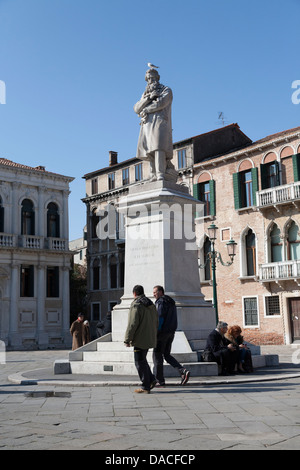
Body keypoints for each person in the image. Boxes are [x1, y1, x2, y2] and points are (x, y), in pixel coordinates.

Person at [134, 66, 176, 182]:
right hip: (147, 124)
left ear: (158, 78)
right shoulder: (146, 94)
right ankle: (153, 174)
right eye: (148, 79)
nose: (150, 81)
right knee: (149, 150)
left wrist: (146, 109)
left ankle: (160, 174)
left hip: (160, 122)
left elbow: (161, 103)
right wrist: (148, 99)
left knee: (159, 147)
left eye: (152, 78)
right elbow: (136, 108)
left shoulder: (166, 90)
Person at [152, 285, 190, 386]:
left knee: (157, 356)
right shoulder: (171, 302)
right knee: (167, 355)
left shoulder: (161, 302)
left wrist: (156, 332)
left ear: (161, 292)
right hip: (171, 333)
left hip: (162, 334)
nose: (153, 294)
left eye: (155, 292)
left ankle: (160, 380)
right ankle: (182, 371)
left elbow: (159, 318)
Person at [124, 285, 158, 394]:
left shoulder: (136, 304)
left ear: (134, 293)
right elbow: (156, 320)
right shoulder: (150, 303)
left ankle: (145, 386)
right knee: (143, 360)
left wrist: (127, 339)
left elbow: (132, 323)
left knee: (139, 362)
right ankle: (151, 380)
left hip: (140, 338)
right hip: (149, 337)